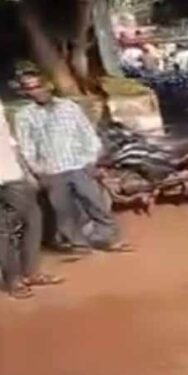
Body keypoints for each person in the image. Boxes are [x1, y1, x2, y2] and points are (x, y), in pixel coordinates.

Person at [14, 73, 131, 253]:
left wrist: (92, 160)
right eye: (30, 88)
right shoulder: (24, 116)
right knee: (63, 210)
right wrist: (38, 171)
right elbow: (26, 146)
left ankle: (107, 239)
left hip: (80, 165)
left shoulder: (69, 107)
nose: (36, 91)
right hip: (52, 170)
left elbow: (87, 133)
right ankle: (77, 243)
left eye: (38, 86)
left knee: (95, 204)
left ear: (48, 86)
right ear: (25, 92)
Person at [0, 99, 61, 299]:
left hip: (12, 173)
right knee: (3, 232)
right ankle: (13, 280)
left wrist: (27, 172)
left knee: (33, 218)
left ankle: (31, 271)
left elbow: (9, 141)